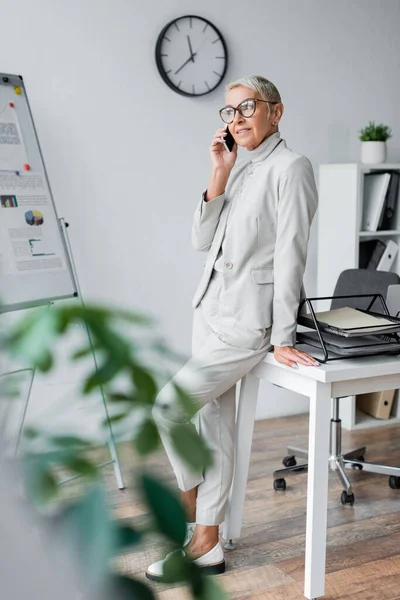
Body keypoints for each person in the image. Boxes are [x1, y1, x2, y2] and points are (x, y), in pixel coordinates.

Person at [146, 75, 320, 581]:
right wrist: (218, 173)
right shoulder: (240, 168)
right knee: (212, 429)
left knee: (168, 409)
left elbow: (292, 254)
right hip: (209, 313)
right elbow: (202, 241)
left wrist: (283, 335)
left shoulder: (292, 167)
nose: (237, 118)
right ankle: (209, 544)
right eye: (229, 111)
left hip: (245, 323)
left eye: (248, 107)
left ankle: (195, 512)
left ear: (276, 112)